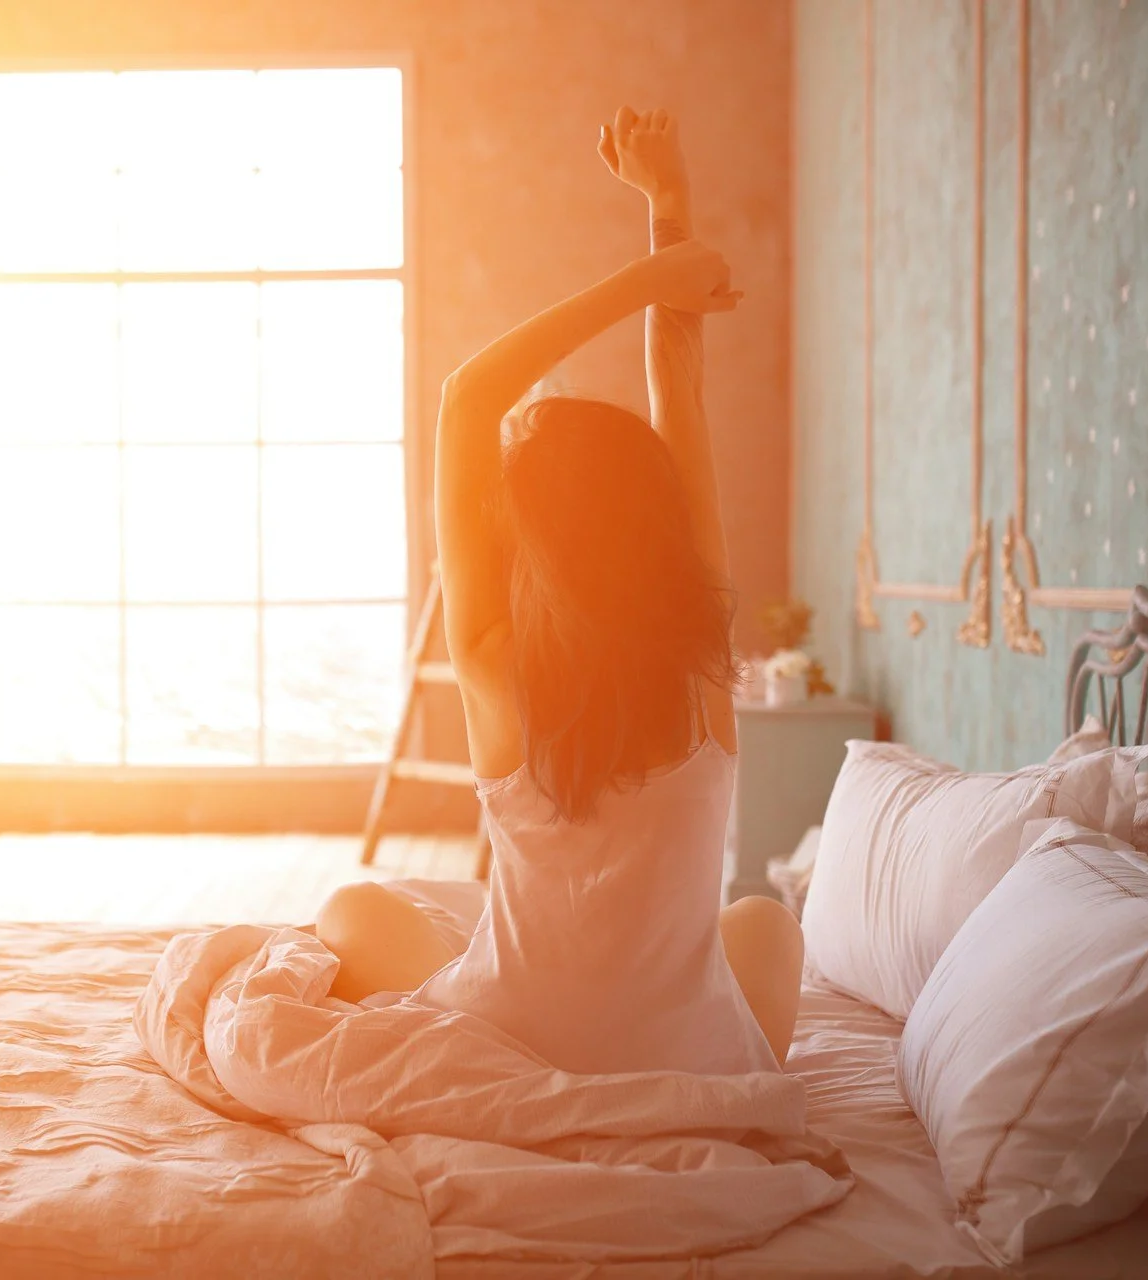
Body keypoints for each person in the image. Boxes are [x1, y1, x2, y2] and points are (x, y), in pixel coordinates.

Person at [316, 108, 804, 1074]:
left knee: (351, 909)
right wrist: (668, 204)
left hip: (514, 1043)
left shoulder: (494, 667)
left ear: (524, 539)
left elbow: (468, 399)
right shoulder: (705, 663)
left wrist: (645, 275)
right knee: (764, 924)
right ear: (655, 521)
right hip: (686, 1056)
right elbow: (681, 389)